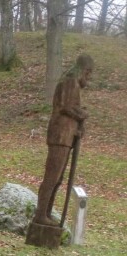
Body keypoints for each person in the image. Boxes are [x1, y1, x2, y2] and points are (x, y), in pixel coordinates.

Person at [33, 53, 93, 227]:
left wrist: (78, 127)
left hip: (67, 136)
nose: (88, 78)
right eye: (88, 74)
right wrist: (82, 114)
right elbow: (66, 107)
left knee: (57, 178)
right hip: (60, 136)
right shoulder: (70, 81)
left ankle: (46, 212)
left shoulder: (73, 83)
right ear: (84, 70)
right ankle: (40, 214)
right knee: (51, 177)